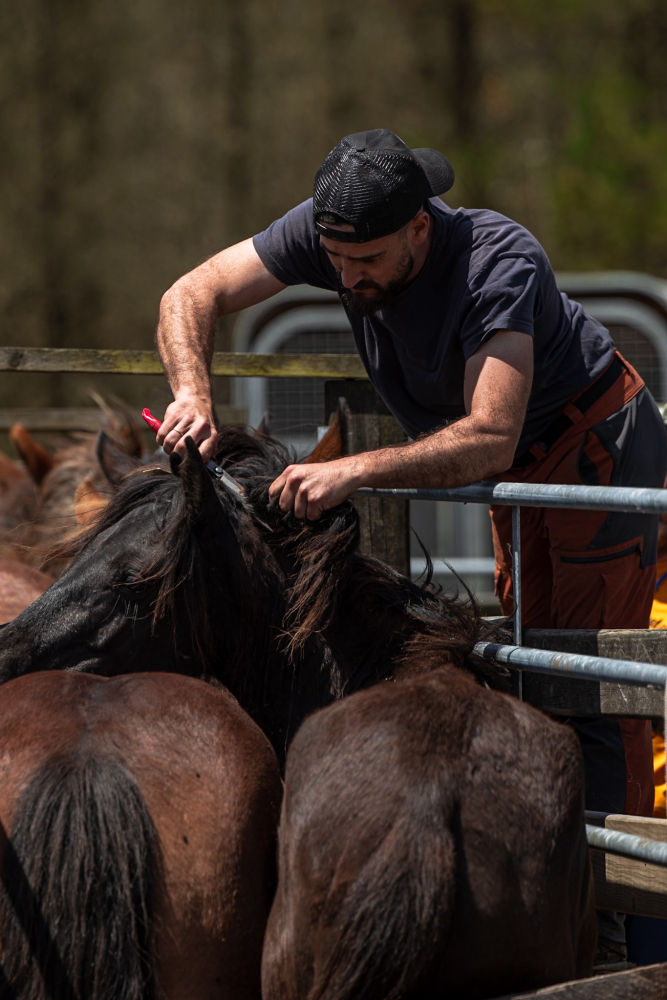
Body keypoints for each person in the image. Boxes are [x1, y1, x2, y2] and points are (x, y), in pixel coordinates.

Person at [155, 128, 667, 957]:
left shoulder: (498, 261)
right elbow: (191, 292)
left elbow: (490, 439)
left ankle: (628, 921)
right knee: (532, 654)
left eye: (368, 263)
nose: (346, 279)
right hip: (523, 462)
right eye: (336, 260)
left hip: (590, 443)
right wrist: (192, 393)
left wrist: (355, 469)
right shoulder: (334, 234)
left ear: (420, 229)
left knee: (592, 677)